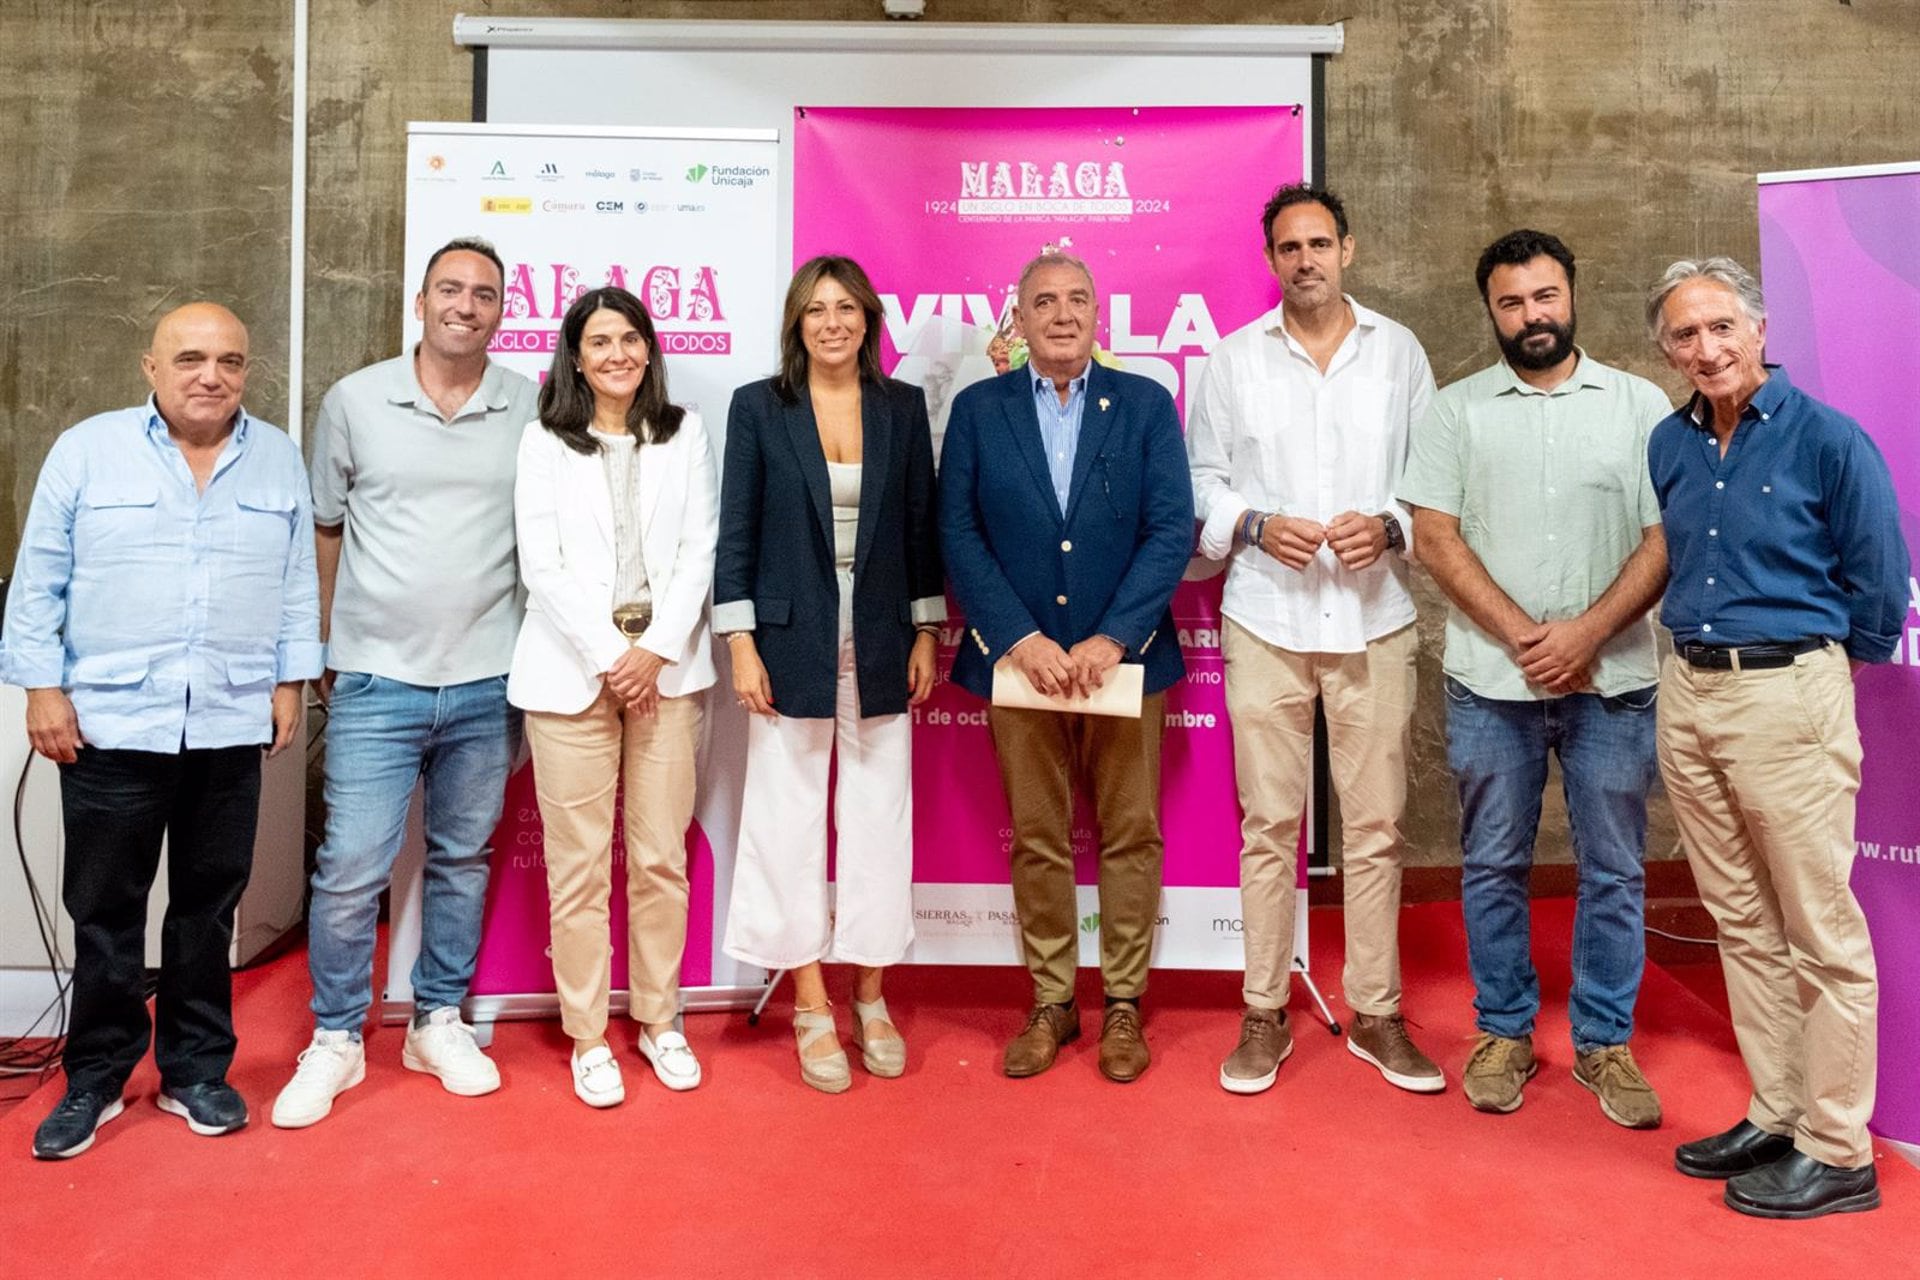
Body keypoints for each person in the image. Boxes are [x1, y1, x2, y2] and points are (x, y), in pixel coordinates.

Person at [4, 303, 321, 1158]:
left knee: (207, 908)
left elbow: (297, 579)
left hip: (227, 718)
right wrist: (41, 688)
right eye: (189, 357)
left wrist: (292, 678)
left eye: (228, 360)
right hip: (111, 721)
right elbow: (39, 581)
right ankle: (97, 1077)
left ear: (247, 371)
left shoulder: (277, 457)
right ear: (151, 367)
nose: (209, 374)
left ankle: (195, 1071)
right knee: (106, 911)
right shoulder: (87, 450)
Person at [1648, 257, 1905, 1219]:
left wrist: (1821, 675)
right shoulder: (1668, 443)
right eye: (1684, 335)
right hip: (1693, 692)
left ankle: (1839, 1150)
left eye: (1722, 327)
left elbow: (1879, 578)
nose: (1706, 348)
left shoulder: (1829, 439)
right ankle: (1781, 1109)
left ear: (1759, 329)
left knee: (1820, 931)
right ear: (1666, 350)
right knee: (1743, 921)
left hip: (1788, 693)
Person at [1400, 229, 1672, 1128]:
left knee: (1615, 869)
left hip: (1616, 680)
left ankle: (1604, 1041)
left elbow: (1664, 537)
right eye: (1513, 302)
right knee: (1491, 865)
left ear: (1571, 293)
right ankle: (1504, 1029)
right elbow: (1435, 537)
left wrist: (1587, 634)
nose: (1533, 316)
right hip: (1492, 683)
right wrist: (1527, 638)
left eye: (1545, 296)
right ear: (1492, 310)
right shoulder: (1457, 410)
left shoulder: (1638, 406)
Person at [271, 237, 538, 1129]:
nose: (467, 305)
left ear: (504, 309)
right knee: (350, 870)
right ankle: (339, 1038)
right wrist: (318, 647)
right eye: (450, 289)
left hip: (490, 679)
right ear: (418, 300)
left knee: (462, 859)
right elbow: (325, 530)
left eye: (485, 294)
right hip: (376, 679)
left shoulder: (528, 406)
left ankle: (436, 1020)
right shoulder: (355, 401)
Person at [1187, 183, 1442, 1096]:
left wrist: (1393, 526)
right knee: (1269, 825)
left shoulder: (1398, 353)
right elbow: (1200, 482)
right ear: (1270, 260)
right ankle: (1264, 1011)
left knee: (1375, 827)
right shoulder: (1230, 360)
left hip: (1375, 618)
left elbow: (1430, 478)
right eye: (1289, 247)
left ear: (1349, 250)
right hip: (1267, 619)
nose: (1307, 260)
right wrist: (1253, 525)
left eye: (1321, 244)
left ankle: (1376, 1011)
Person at [939, 251, 1192, 1083]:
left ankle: (1123, 1003)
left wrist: (1113, 636)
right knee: (1039, 839)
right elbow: (960, 534)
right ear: (1018, 316)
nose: (1061, 313)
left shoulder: (1147, 406)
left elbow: (1169, 530)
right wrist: (1017, 635)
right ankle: (1052, 1000)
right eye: (1043, 300)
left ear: (1097, 313)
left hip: (1124, 663)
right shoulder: (979, 410)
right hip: (1022, 669)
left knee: (1130, 835)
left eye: (1076, 299)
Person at [716, 255, 944, 1093]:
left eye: (846, 308)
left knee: (880, 817)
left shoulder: (902, 407)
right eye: (816, 310)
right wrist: (740, 643)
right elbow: (735, 533)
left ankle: (871, 996)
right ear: (796, 323)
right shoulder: (758, 408)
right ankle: (811, 1001)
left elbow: (921, 526)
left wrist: (927, 629)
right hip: (786, 643)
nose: (833, 323)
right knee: (787, 817)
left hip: (883, 638)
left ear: (868, 319)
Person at [509, 287, 717, 1108]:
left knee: (662, 857)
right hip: (571, 676)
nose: (617, 355)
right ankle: (588, 1034)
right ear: (575, 355)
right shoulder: (542, 441)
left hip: (668, 672)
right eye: (599, 342)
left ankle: (661, 1019)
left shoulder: (685, 431)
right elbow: (542, 565)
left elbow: (702, 546)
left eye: (629, 339)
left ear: (649, 348)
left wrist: (657, 650)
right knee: (580, 868)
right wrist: (610, 657)